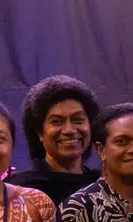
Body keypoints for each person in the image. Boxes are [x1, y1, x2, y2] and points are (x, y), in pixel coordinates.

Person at [6, 75, 100, 205]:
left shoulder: (103, 185)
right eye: (57, 122)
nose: (69, 130)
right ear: (39, 132)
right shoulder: (19, 190)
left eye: (77, 120)